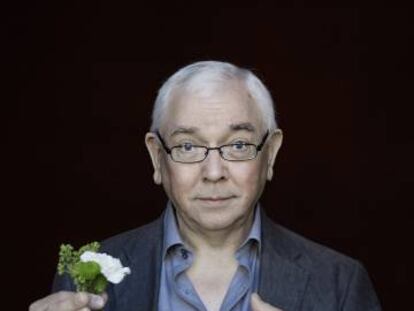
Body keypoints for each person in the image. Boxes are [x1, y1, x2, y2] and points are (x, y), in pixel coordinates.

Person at [29, 61, 381, 311]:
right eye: (187, 147)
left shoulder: (339, 283)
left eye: (239, 145)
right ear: (156, 158)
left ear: (270, 153)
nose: (214, 172)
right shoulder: (84, 273)